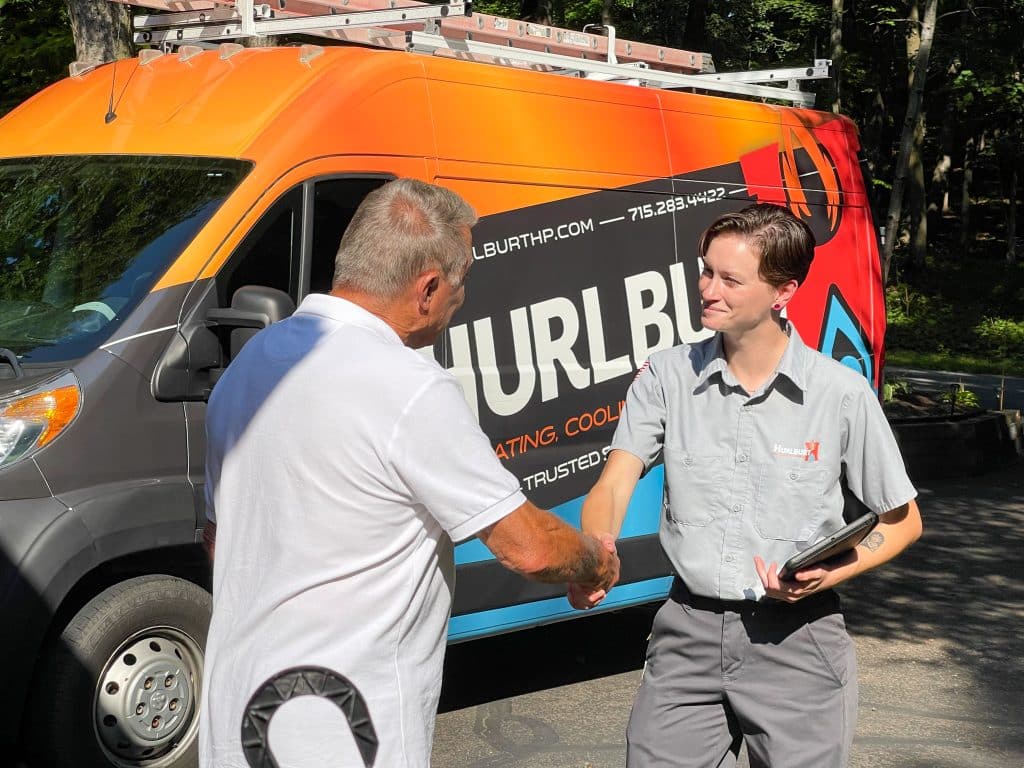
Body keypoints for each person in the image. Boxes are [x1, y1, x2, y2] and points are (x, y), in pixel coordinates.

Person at [200, 178, 619, 767]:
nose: (462, 296)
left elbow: (221, 540)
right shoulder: (408, 387)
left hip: (236, 714)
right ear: (427, 288)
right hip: (344, 727)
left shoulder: (250, 366)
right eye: (461, 280)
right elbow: (528, 548)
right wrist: (596, 562)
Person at [571, 203, 922, 767]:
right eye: (706, 270)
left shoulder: (841, 395)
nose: (708, 288)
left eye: (730, 279)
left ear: (783, 292)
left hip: (799, 642)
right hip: (687, 632)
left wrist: (839, 568)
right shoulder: (666, 376)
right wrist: (597, 550)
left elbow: (903, 520)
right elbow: (615, 482)